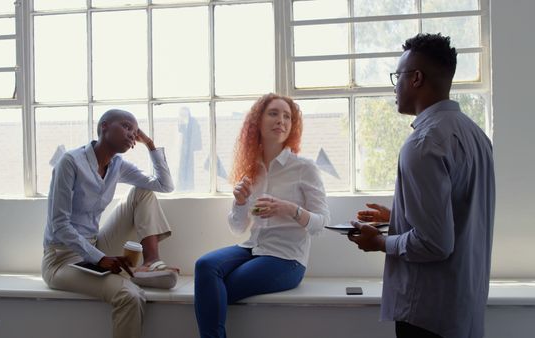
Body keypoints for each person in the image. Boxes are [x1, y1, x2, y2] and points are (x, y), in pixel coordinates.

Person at [347, 33, 495, 338]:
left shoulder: (424, 143)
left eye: (397, 77)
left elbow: (435, 243)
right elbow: (458, 214)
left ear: (416, 78)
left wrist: (379, 242)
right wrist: (397, 217)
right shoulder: (476, 136)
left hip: (428, 315)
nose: (395, 87)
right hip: (464, 307)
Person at [194, 93, 330, 338]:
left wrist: (290, 209)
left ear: (293, 126)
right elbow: (237, 228)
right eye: (274, 113)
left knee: (218, 287)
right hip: (252, 247)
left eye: (287, 116)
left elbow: (321, 223)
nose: (281, 120)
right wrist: (240, 201)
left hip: (287, 258)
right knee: (204, 266)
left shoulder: (304, 168)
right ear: (257, 121)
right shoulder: (251, 169)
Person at [42, 109, 179, 338]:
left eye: (135, 132)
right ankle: (133, 277)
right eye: (126, 126)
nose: (131, 135)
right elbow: (59, 225)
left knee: (142, 193)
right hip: (62, 259)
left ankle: (151, 262)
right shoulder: (71, 162)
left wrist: (150, 144)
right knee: (130, 296)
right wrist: (101, 259)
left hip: (95, 246)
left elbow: (164, 185)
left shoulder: (117, 165)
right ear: (104, 126)